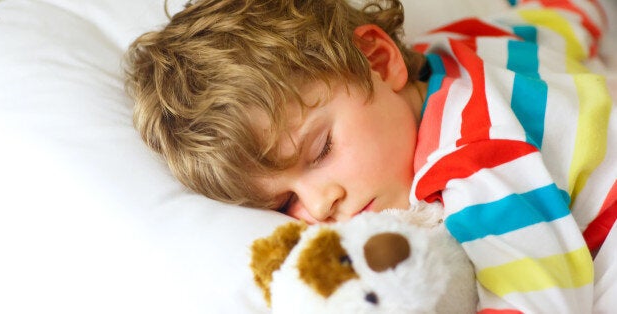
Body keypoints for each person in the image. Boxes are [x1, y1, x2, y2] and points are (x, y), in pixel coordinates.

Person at [124, 0, 616, 312]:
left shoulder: (472, 159)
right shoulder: (462, 40)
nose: (319, 207)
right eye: (283, 203)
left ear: (380, 61)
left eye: (321, 151)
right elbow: (563, 14)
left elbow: (538, 296)